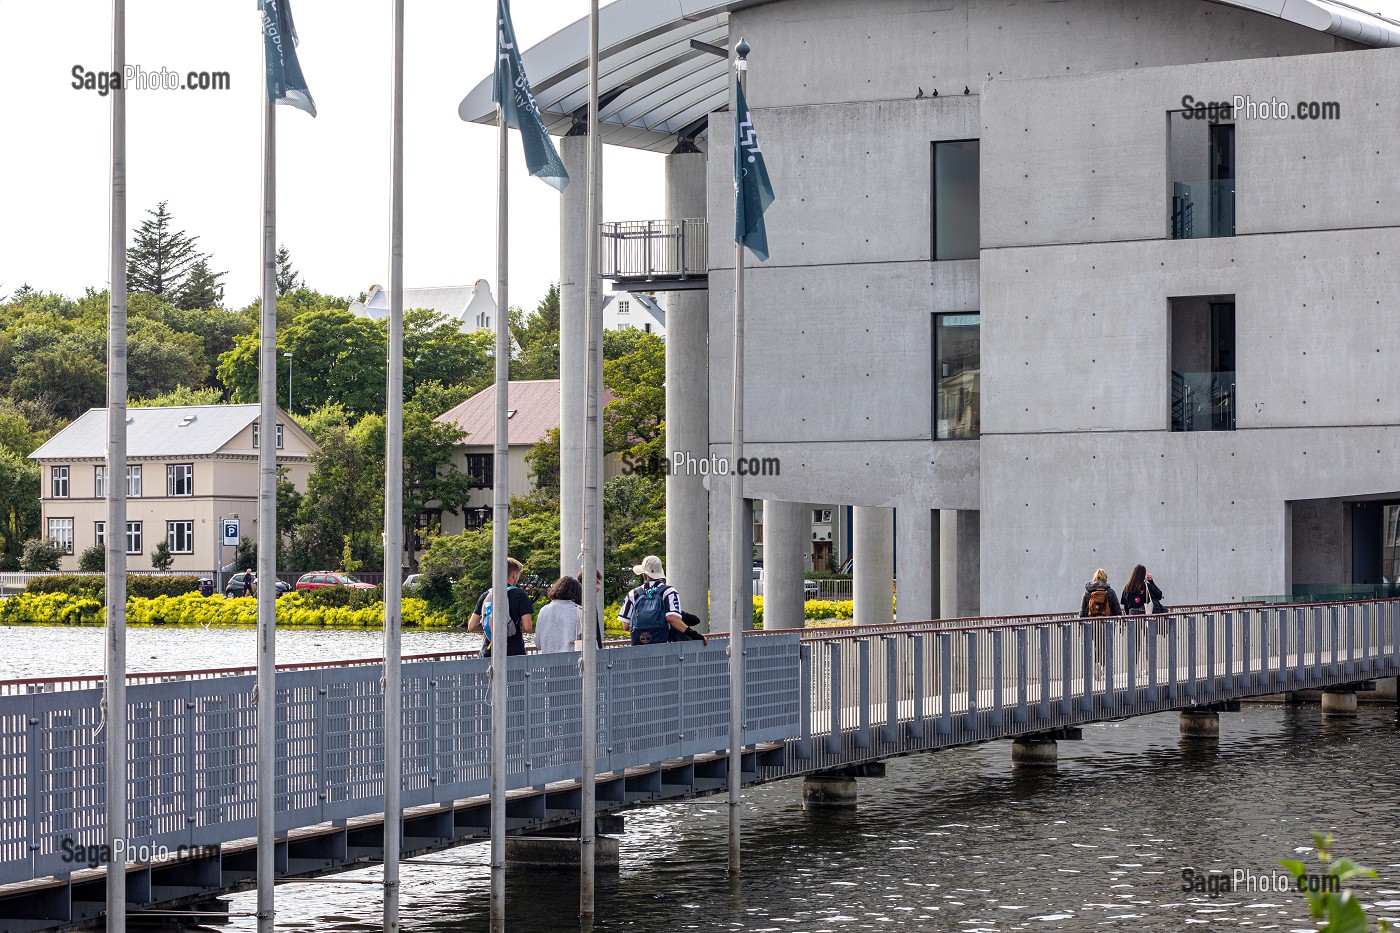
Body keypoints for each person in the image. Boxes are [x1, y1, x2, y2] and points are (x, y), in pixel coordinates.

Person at [618, 555, 695, 645]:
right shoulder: (669, 591)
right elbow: (672, 618)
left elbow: (626, 626)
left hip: (638, 648)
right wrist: (695, 635)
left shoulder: (633, 593)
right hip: (664, 647)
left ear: (644, 574)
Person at [467, 557, 534, 656]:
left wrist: (490, 626)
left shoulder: (487, 595)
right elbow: (528, 627)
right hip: (513, 653)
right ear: (514, 575)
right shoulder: (520, 595)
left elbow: (471, 626)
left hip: (489, 652)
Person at [534, 575, 585, 654]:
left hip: (548, 663)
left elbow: (538, 643)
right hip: (571, 663)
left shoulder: (544, 610)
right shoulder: (579, 611)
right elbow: (588, 643)